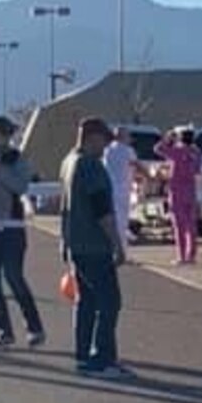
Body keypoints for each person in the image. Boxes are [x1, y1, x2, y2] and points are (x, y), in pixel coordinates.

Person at [58, 117, 126, 375]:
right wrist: (117, 244)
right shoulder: (91, 166)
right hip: (94, 244)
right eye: (103, 141)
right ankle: (103, 357)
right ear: (91, 138)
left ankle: (83, 355)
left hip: (75, 243)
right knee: (109, 301)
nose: (106, 146)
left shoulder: (68, 162)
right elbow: (102, 212)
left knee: (85, 301)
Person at [0, 115, 45, 348]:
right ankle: (4, 330)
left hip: (12, 225)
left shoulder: (16, 158)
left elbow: (21, 186)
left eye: (5, 132)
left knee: (13, 277)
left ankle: (34, 327)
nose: (2, 137)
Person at [157, 125, 202, 266]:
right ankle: (191, 255)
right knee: (191, 225)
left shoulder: (177, 151)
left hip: (177, 190)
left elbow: (158, 149)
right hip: (191, 190)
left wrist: (168, 137)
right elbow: (197, 170)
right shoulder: (196, 153)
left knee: (179, 225)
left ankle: (182, 255)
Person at [103, 128, 137, 249]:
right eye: (128, 136)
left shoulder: (107, 150)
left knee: (112, 218)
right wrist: (149, 176)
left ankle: (111, 247)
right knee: (122, 220)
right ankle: (120, 248)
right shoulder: (128, 150)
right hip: (123, 189)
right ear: (122, 137)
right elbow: (135, 164)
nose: (129, 139)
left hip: (109, 188)